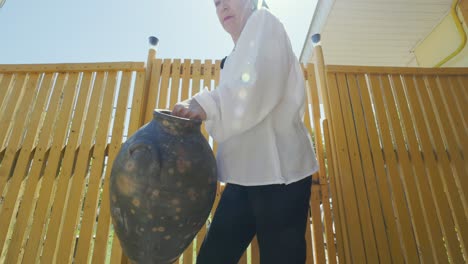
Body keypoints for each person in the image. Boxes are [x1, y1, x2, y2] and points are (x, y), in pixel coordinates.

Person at [172, 0, 319, 263]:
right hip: (242, 178)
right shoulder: (232, 59)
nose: (222, 7)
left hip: (280, 176)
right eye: (216, 4)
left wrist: (206, 104)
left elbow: (258, 85)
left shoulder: (265, 22)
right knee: (213, 256)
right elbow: (236, 117)